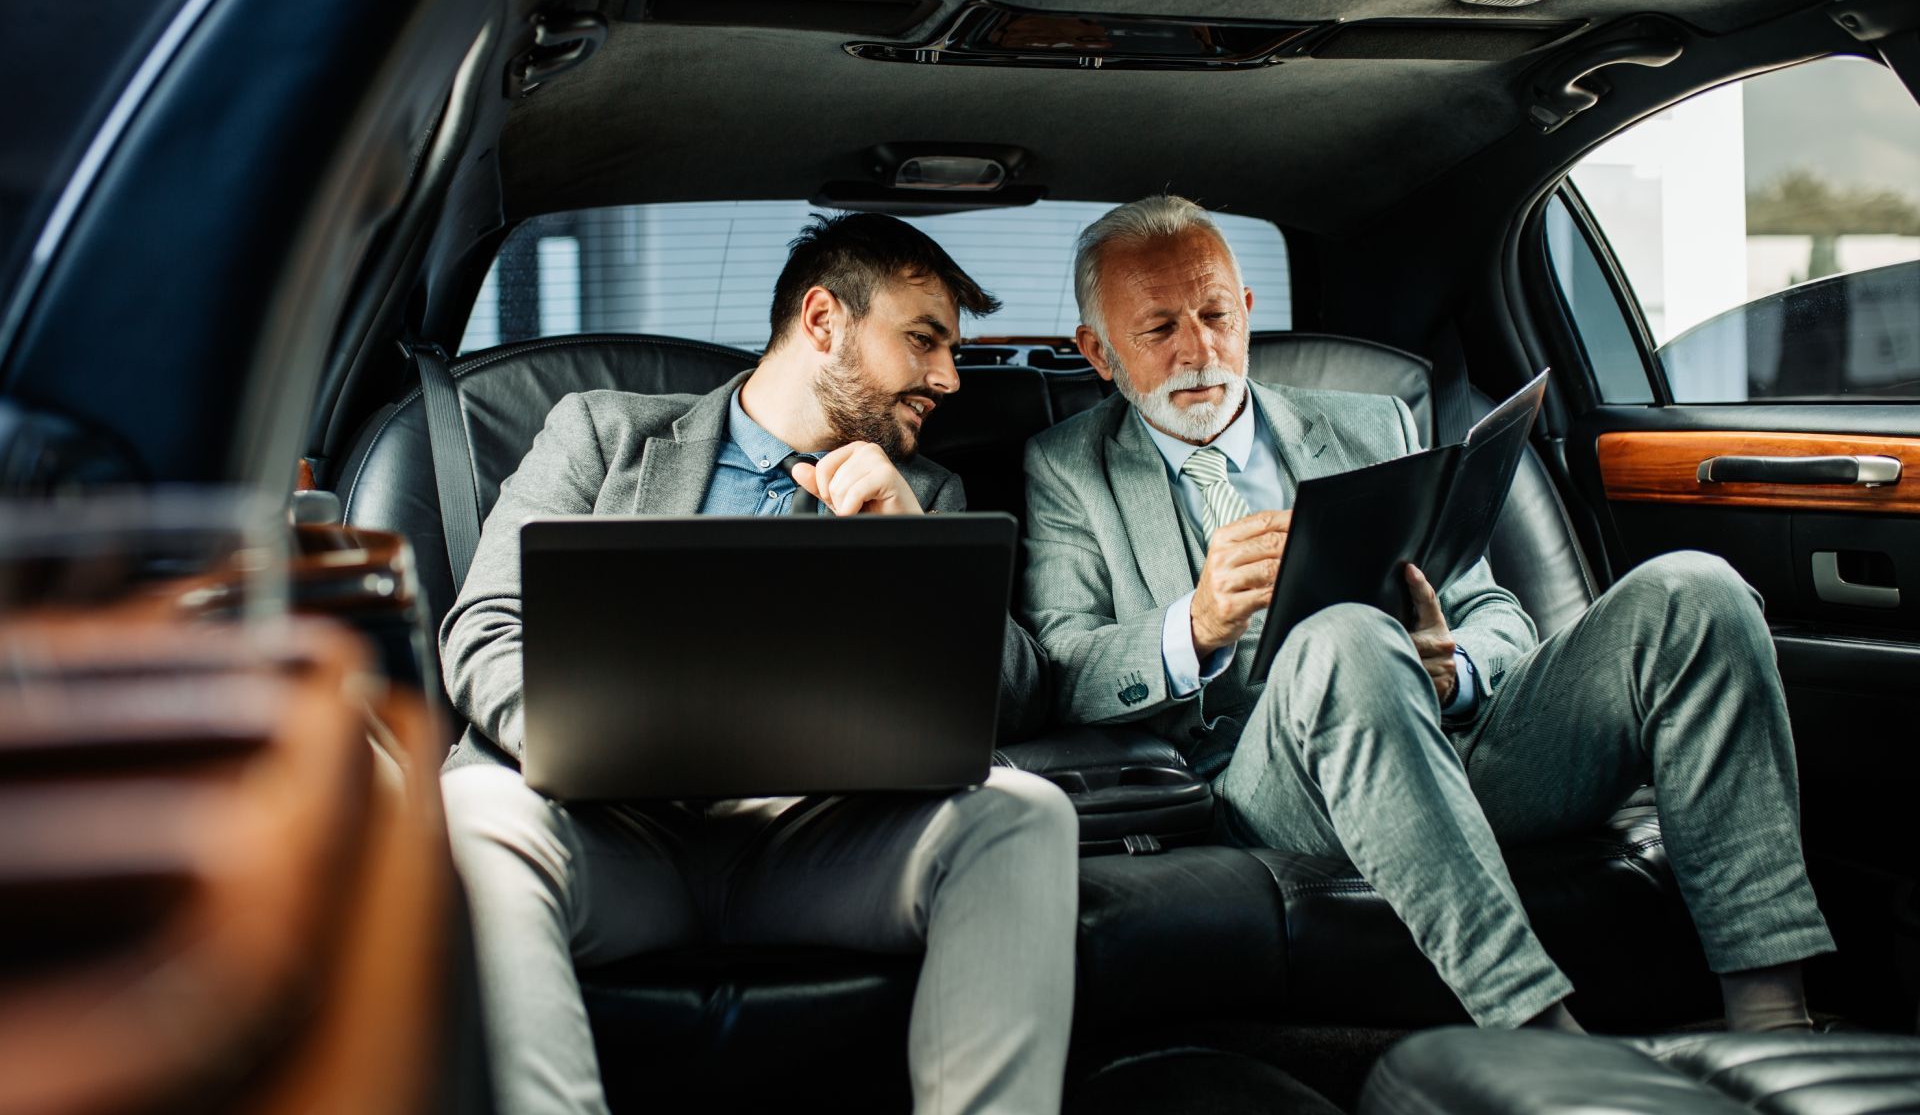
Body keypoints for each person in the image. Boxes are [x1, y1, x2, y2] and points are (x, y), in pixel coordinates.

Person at [1019, 194, 1833, 1033]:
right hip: (1271, 782)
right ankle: (1535, 1030)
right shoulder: (1069, 470)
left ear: (1247, 310)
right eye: (1158, 331)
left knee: (1696, 591)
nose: (1200, 350)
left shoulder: (1372, 422)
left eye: (1216, 314)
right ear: (1100, 352)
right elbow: (1061, 666)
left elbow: (1493, 612)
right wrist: (1194, 624)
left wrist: (1456, 667)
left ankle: (1774, 1015)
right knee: (1346, 636)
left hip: (1460, 741)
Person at [441, 212, 1078, 1115]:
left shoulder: (928, 493)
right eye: (924, 339)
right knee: (473, 810)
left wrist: (913, 548)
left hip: (816, 844)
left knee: (1026, 818)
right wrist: (604, 742)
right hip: (610, 831)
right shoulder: (600, 434)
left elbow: (1017, 697)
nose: (948, 376)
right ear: (823, 321)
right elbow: (486, 629)